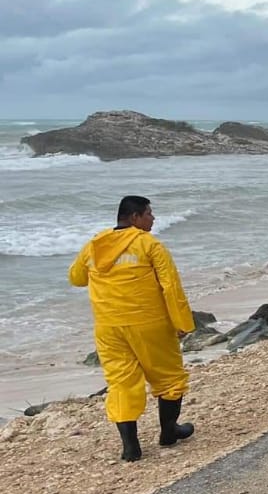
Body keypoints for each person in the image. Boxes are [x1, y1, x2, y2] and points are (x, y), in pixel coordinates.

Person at [67, 196, 196, 461]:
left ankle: (131, 447)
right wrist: (182, 323)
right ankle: (169, 432)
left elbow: (76, 278)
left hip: (109, 328)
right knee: (169, 378)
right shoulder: (149, 244)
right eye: (149, 213)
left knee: (121, 382)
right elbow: (170, 286)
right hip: (149, 324)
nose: (153, 218)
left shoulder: (94, 245)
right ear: (135, 217)